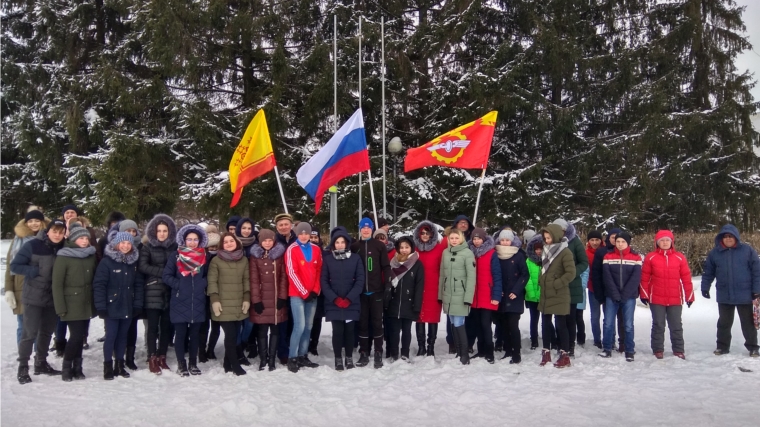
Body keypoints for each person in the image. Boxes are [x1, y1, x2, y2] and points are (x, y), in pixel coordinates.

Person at [11, 219, 67, 384]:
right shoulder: (33, 245)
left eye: (61, 232)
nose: (57, 235)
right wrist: (34, 271)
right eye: (54, 231)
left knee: (47, 332)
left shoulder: (64, 248)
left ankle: (41, 362)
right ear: (48, 231)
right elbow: (15, 266)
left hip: (52, 298)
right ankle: (23, 367)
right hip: (33, 297)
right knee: (29, 333)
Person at [701, 224, 760, 357]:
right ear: (721, 238)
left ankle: (753, 347)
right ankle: (722, 347)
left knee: (748, 323)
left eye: (730, 236)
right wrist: (705, 286)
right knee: (724, 322)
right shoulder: (715, 253)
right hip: (724, 294)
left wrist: (757, 290)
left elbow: (757, 271)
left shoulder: (747, 250)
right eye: (725, 236)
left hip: (744, 294)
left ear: (736, 237)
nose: (728, 239)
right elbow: (708, 272)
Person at [93, 231, 144, 380]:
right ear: (116, 244)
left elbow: (138, 285)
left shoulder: (133, 262)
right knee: (111, 336)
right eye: (122, 243)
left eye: (128, 243)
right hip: (111, 306)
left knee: (123, 337)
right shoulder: (107, 262)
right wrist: (101, 306)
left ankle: (119, 365)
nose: (125, 246)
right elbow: (99, 285)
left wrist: (137, 304)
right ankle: (108, 365)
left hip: (128, 305)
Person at [51, 223, 97, 381]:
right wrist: (60, 307)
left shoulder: (90, 255)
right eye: (81, 238)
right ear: (73, 239)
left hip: (86, 302)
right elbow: (57, 285)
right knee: (76, 336)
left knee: (81, 335)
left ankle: (78, 368)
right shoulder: (64, 256)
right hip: (71, 303)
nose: (84, 241)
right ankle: (66, 366)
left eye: (86, 238)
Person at [163, 224, 209, 376]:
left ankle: (193, 363)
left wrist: (203, 283)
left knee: (195, 335)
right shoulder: (175, 256)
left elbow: (209, 276)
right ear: (183, 240)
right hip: (179, 300)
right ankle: (181, 364)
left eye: (196, 239)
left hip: (198, 301)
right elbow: (167, 276)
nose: (192, 242)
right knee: (180, 334)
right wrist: (179, 285)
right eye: (189, 239)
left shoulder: (204, 256)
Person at [640, 230, 694, 359]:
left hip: (675, 298)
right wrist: (644, 294)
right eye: (662, 240)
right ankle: (658, 349)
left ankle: (678, 349)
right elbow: (644, 277)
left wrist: (690, 296)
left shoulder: (679, 257)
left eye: (667, 240)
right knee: (658, 324)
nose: (665, 243)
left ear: (671, 242)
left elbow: (686, 278)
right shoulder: (651, 257)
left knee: (676, 325)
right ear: (657, 243)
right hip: (656, 297)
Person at [321, 228, 365, 370]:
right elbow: (324, 281)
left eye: (342, 242)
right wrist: (334, 299)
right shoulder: (328, 260)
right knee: (337, 331)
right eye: (337, 242)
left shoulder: (355, 258)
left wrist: (349, 298)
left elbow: (360, 280)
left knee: (350, 331)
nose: (340, 244)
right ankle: (338, 358)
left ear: (347, 243)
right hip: (334, 303)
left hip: (350, 303)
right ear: (333, 244)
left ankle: (349, 358)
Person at [351, 217, 392, 368]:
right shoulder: (355, 247)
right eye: (363, 227)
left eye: (368, 227)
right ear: (360, 229)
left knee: (377, 322)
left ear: (372, 229)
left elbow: (386, 267)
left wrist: (388, 284)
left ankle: (378, 351)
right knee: (362, 322)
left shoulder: (379, 246)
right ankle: (364, 352)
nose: (366, 230)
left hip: (376, 291)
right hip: (361, 292)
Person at [138, 214, 177, 374]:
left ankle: (162, 355)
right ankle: (152, 356)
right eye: (159, 230)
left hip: (169, 292)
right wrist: (165, 273)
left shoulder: (174, 247)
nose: (162, 233)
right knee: (152, 327)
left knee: (166, 327)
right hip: (152, 291)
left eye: (165, 230)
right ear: (154, 231)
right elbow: (143, 266)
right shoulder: (147, 247)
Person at [208, 232, 250, 376]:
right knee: (230, 335)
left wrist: (246, 298)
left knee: (235, 334)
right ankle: (235, 365)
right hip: (223, 304)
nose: (229, 244)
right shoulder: (216, 261)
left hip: (238, 303)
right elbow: (212, 282)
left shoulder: (244, 260)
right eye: (225, 242)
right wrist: (214, 300)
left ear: (236, 242)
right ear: (222, 245)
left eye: (231, 241)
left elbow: (246, 280)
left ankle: (227, 363)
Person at [5, 208, 49, 346]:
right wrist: (9, 289)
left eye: (37, 221)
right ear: (25, 223)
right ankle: (24, 358)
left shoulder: (49, 239)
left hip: (43, 287)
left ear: (42, 222)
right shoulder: (18, 240)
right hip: (21, 287)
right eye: (30, 221)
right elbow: (10, 266)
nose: (34, 224)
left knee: (42, 326)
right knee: (24, 325)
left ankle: (38, 357)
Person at [285, 222, 323, 373]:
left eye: (306, 233)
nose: (304, 235)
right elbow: (291, 272)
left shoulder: (316, 249)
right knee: (299, 326)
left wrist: (315, 290)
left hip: (312, 294)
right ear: (297, 234)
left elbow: (319, 269)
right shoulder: (291, 249)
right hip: (297, 294)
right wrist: (304, 292)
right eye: (301, 233)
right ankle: (292, 357)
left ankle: (303, 354)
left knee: (308, 326)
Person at [249, 229, 288, 371]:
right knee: (262, 330)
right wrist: (256, 300)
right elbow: (253, 280)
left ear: (274, 241)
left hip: (276, 298)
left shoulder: (279, 255)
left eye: (270, 240)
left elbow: (284, 278)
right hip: (262, 299)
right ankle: (263, 359)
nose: (267, 243)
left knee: (275, 330)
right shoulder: (254, 256)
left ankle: (272, 359)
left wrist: (282, 297)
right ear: (260, 242)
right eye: (264, 240)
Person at [599, 232, 641, 362]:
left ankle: (629, 350)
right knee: (608, 323)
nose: (620, 244)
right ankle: (607, 349)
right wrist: (615, 294)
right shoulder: (608, 256)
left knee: (628, 324)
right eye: (618, 242)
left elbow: (635, 278)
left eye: (623, 242)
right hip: (612, 296)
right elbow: (607, 277)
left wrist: (625, 294)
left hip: (629, 297)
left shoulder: (636, 257)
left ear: (628, 243)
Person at [537, 224, 575, 368]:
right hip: (546, 293)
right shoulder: (546, 251)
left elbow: (571, 273)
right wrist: (542, 281)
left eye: (549, 237)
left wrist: (557, 284)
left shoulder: (565, 252)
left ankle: (565, 355)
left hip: (559, 293)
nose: (546, 241)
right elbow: (544, 269)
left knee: (561, 324)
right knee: (545, 323)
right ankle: (546, 352)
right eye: (545, 238)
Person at [551, 219, 588, 357]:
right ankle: (560, 343)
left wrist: (571, 272)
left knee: (570, 318)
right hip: (556, 286)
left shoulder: (575, 242)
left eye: (561, 230)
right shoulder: (551, 242)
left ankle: (570, 345)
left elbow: (584, 262)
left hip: (572, 285)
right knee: (559, 317)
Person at [491, 229, 529, 364]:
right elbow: (494, 274)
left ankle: (516, 353)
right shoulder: (496, 254)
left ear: (512, 241)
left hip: (514, 296)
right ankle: (507, 351)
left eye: (507, 240)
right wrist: (497, 290)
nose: (505, 242)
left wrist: (517, 290)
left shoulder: (518, 255)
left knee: (513, 325)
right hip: (501, 295)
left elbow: (525, 274)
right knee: (503, 325)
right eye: (502, 240)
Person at [439, 228, 475, 365]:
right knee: (453, 323)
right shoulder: (445, 253)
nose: (454, 240)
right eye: (451, 238)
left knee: (459, 323)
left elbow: (471, 277)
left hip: (461, 295)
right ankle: (458, 352)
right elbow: (443, 275)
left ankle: (464, 354)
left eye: (456, 238)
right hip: (449, 294)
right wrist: (441, 294)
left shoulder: (467, 253)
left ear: (461, 239)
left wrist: (468, 297)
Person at [386, 236, 424, 362]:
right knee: (394, 331)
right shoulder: (392, 263)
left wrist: (416, 305)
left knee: (406, 331)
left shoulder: (417, 264)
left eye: (406, 247)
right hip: (394, 302)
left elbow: (419, 286)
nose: (404, 250)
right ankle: (394, 353)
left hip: (409, 303)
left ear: (411, 248)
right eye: (401, 247)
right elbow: (388, 283)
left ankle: (405, 354)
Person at [412, 220, 445, 357]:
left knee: (432, 318)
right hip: (418, 287)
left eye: (427, 233)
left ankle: (430, 346)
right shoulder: (414, 249)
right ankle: (421, 346)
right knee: (419, 316)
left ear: (432, 234)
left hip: (434, 287)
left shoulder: (439, 249)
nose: (425, 235)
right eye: (422, 233)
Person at [591, 228, 626, 352]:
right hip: (604, 291)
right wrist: (599, 293)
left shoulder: (624, 252)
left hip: (620, 292)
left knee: (617, 319)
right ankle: (606, 342)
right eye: (612, 237)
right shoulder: (601, 252)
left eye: (617, 237)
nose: (615, 240)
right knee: (605, 319)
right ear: (609, 238)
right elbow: (596, 273)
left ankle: (617, 342)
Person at [466, 228, 498, 363]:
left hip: (487, 294)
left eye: (479, 238)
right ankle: (481, 350)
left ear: (484, 239)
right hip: (474, 296)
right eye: (474, 239)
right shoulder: (469, 253)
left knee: (486, 324)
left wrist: (496, 295)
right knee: (477, 325)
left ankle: (489, 351)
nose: (476, 241)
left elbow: (497, 275)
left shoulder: (492, 254)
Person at [198, 225, 221, 363]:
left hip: (218, 294)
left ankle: (211, 349)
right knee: (203, 325)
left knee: (216, 325)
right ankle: (201, 351)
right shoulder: (201, 255)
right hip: (203, 295)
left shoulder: (221, 255)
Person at [308, 228, 326, 356]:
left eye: (316, 237)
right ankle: (306, 342)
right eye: (311, 237)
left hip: (320, 291)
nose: (314, 240)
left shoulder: (324, 253)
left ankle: (314, 344)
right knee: (307, 319)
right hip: (306, 290)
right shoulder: (305, 251)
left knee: (317, 319)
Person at [585, 230, 604, 348]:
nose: (594, 242)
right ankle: (597, 339)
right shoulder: (585, 253)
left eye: (597, 240)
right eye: (592, 240)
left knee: (608, 316)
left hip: (606, 288)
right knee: (595, 315)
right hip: (592, 288)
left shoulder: (606, 252)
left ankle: (609, 338)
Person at [525, 235, 543, 350]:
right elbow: (528, 278)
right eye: (536, 249)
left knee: (547, 319)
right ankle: (534, 340)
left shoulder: (547, 261)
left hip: (544, 295)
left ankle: (551, 338)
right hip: (532, 296)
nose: (538, 251)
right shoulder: (528, 261)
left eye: (540, 249)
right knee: (534, 319)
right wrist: (532, 293)